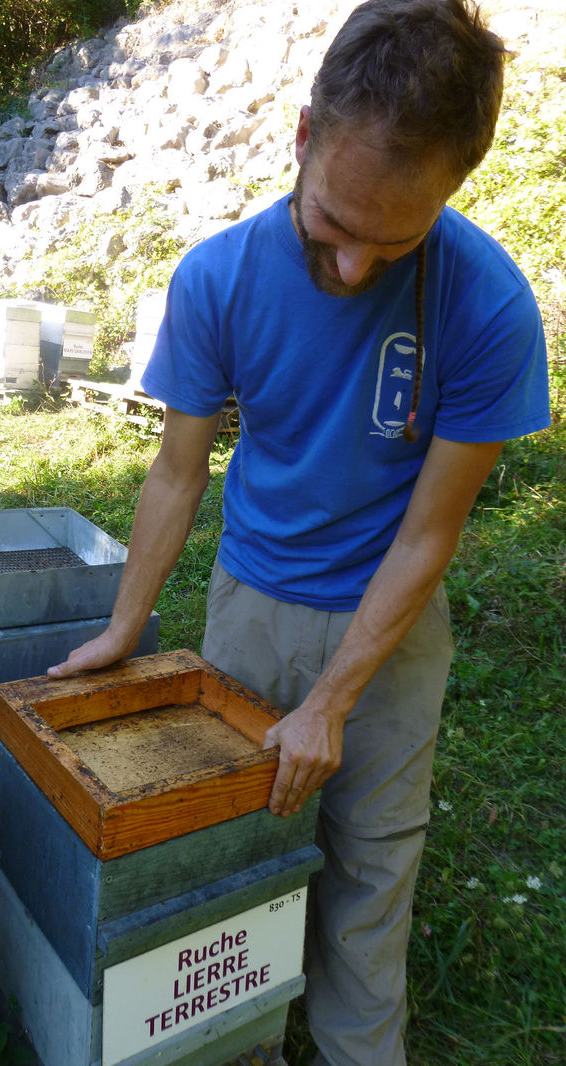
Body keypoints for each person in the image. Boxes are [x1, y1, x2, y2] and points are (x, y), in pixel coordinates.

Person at [48, 1, 551, 1062]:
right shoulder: (216, 278)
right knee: (236, 852)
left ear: (452, 188)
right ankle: (240, 1039)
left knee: (370, 863)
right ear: (300, 137)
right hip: (247, 606)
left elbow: (427, 534)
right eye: (333, 221)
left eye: (395, 237)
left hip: (391, 629)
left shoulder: (490, 307)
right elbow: (177, 472)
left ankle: (355, 1045)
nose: (356, 265)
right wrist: (123, 626)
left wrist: (331, 702)